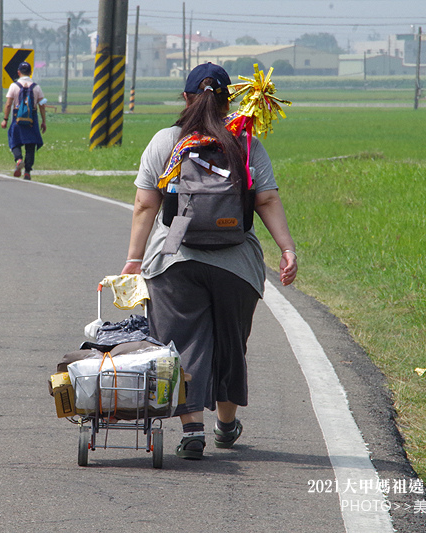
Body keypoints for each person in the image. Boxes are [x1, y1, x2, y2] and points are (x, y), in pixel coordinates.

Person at [120, 63, 298, 460]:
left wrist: (134, 259)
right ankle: (226, 424)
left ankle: (192, 429)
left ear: (185, 98)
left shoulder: (166, 140)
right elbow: (266, 199)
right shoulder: (246, 142)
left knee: (181, 343)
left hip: (175, 258)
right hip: (236, 263)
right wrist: (287, 249)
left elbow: (144, 204)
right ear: (227, 100)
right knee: (230, 343)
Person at [0, 61, 46, 180]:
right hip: (32, 118)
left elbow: (8, 104)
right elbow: (42, 104)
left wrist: (5, 119)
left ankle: (19, 159)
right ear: (30, 73)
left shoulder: (14, 86)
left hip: (17, 118)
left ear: (18, 72)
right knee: (30, 145)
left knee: (14, 141)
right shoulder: (37, 87)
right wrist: (43, 121)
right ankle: (27, 172)